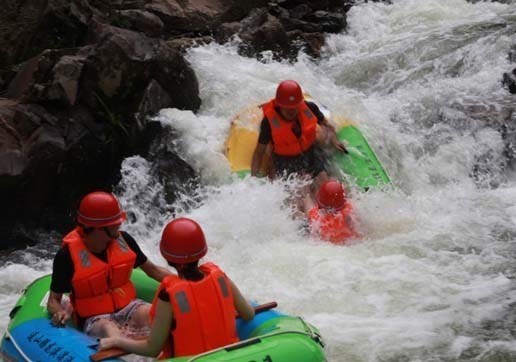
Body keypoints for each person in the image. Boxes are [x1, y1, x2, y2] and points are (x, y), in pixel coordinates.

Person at [98, 217, 255, 358]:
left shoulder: (169, 295)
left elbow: (152, 349)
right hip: (231, 357)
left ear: (169, 258)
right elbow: (248, 314)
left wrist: (118, 341)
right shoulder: (220, 278)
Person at [47, 191, 171, 338]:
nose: (118, 228)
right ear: (96, 227)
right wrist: (58, 312)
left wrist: (185, 283)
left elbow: (153, 270)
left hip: (128, 307)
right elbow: (53, 300)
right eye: (113, 226)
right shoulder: (66, 256)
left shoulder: (124, 240)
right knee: (109, 329)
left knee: (154, 316)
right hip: (95, 318)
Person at [251, 80, 347, 179]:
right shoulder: (269, 122)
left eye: (294, 107)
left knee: (323, 179)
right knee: (301, 191)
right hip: (284, 160)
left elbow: (327, 125)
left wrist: (335, 140)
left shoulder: (309, 108)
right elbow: (259, 152)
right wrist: (252, 178)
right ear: (280, 106)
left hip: (310, 153)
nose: (291, 111)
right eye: (287, 108)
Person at [304, 179, 358, 244]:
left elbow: (307, 202)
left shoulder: (317, 218)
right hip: (349, 244)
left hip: (326, 245)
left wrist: (306, 191)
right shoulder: (349, 213)